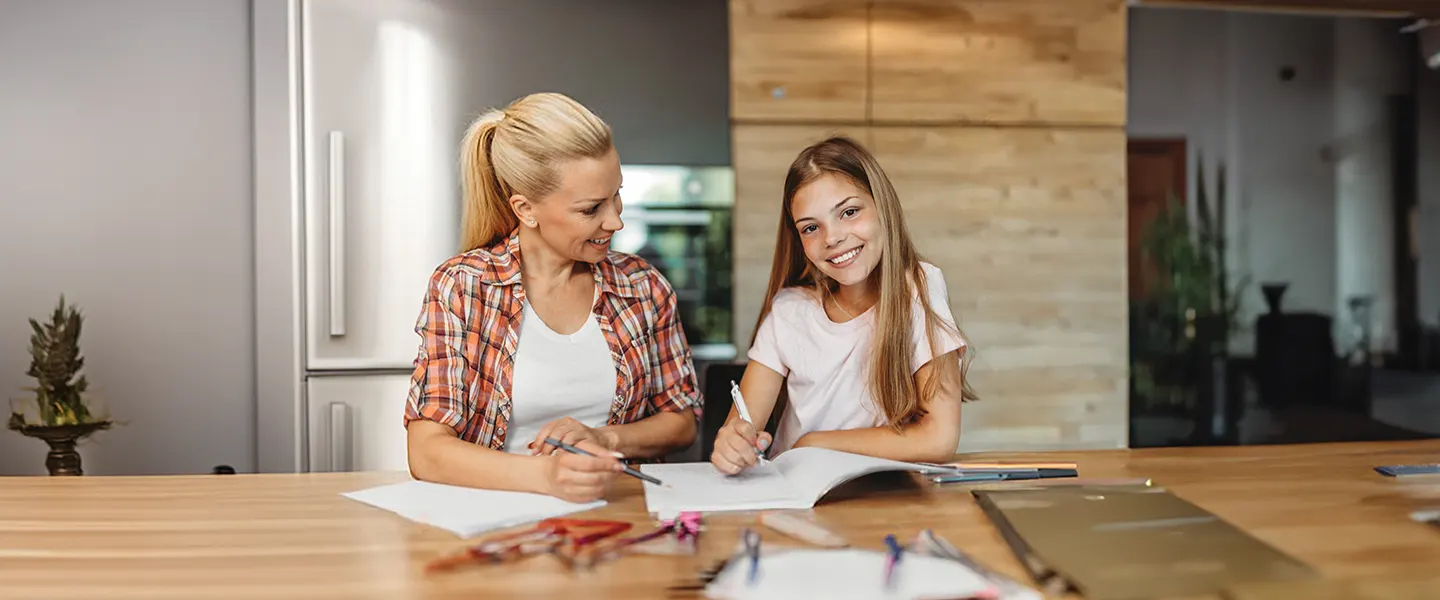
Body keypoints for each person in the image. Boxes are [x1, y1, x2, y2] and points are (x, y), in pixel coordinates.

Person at [404, 92, 702, 502]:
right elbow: (427, 452)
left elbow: (682, 423)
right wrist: (547, 476)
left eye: (616, 195)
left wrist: (604, 438)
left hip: (620, 521)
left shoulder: (643, 287)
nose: (615, 220)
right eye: (590, 209)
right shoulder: (464, 287)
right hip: (492, 526)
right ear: (526, 210)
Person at [710, 136, 978, 475]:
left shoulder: (919, 287)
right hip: (794, 495)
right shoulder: (790, 310)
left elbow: (938, 438)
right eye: (811, 228)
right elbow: (740, 429)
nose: (832, 238)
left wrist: (814, 444)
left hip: (879, 498)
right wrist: (731, 444)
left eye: (849, 212)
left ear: (882, 206)